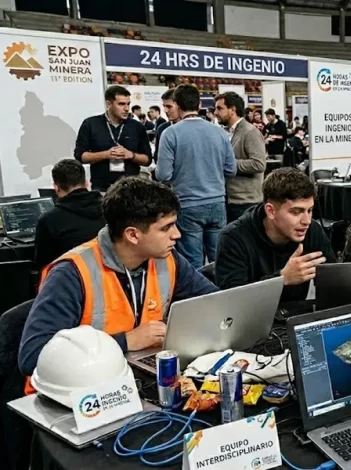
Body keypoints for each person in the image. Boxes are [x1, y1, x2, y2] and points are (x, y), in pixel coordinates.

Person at [18, 177, 219, 377]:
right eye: (166, 228)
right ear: (132, 235)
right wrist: (126, 341)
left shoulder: (167, 258)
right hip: (84, 392)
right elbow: (33, 356)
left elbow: (216, 303)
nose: (177, 235)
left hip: (140, 374)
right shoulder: (71, 273)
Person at [214, 168, 336, 301]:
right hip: (252, 319)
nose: (306, 221)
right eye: (296, 212)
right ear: (271, 211)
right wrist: (282, 279)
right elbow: (232, 301)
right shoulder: (233, 239)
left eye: (310, 210)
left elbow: (335, 281)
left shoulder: (312, 230)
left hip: (295, 315)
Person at [155, 84, 237, 269]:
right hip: (217, 202)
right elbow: (231, 169)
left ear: (176, 104)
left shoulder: (170, 133)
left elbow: (163, 174)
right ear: (199, 104)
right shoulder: (219, 132)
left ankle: (198, 297)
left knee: (193, 263)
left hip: (188, 203)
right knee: (220, 260)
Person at [74, 85, 152, 192]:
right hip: (102, 189)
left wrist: (131, 155)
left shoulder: (137, 127)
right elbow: (80, 156)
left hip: (132, 190)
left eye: (128, 104)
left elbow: (147, 160)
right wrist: (106, 154)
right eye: (121, 104)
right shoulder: (91, 124)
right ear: (109, 104)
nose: (126, 108)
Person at [34, 159, 105, 268]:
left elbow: (43, 264)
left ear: (56, 188)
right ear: (86, 182)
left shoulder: (48, 220)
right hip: (111, 279)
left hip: (71, 280)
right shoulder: (110, 208)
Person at [214, 91, 267, 223]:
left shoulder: (250, 132)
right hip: (231, 199)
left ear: (232, 110)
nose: (215, 112)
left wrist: (228, 164)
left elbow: (259, 164)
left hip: (246, 202)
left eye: (219, 108)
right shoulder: (226, 132)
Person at [153, 89, 178, 164]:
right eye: (164, 106)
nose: (165, 110)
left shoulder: (194, 129)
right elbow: (157, 156)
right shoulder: (162, 128)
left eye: (169, 107)